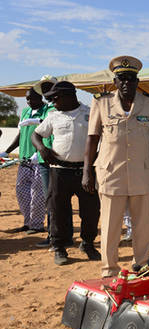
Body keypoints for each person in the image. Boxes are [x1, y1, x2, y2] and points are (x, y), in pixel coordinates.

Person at [82, 55, 149, 277]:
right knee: (110, 226)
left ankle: (142, 265)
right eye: (122, 79)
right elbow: (92, 138)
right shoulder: (101, 102)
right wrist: (86, 170)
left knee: (143, 226)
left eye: (131, 79)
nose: (127, 83)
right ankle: (109, 269)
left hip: (142, 172)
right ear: (115, 82)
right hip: (110, 172)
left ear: (137, 82)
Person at [32, 81, 101, 265]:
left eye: (55, 97)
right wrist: (42, 149)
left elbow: (102, 138)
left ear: (69, 96)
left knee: (91, 211)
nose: (52, 101)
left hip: (86, 171)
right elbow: (35, 135)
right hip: (59, 171)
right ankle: (59, 247)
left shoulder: (89, 113)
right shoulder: (54, 116)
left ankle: (88, 244)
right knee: (58, 211)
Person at [1, 87, 51, 234]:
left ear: (40, 98)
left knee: (37, 194)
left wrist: (38, 153)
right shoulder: (24, 112)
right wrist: (8, 151)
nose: (29, 101)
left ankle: (36, 225)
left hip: (38, 160)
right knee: (21, 191)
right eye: (27, 99)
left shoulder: (47, 111)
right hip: (24, 158)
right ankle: (27, 222)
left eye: (32, 98)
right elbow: (20, 134)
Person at [33, 75, 58, 248]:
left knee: (56, 199)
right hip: (44, 160)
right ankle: (53, 233)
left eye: (48, 86)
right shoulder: (44, 109)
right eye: (43, 88)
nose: (46, 90)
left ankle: (57, 234)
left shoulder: (58, 107)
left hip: (56, 159)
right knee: (50, 198)